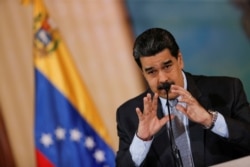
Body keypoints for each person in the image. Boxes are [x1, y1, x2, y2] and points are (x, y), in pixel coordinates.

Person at [115, 28, 250, 167]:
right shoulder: (129, 115)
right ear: (143, 73)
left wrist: (210, 120)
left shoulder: (226, 90)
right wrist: (142, 139)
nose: (162, 79)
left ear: (179, 60)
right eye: (152, 72)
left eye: (167, 66)